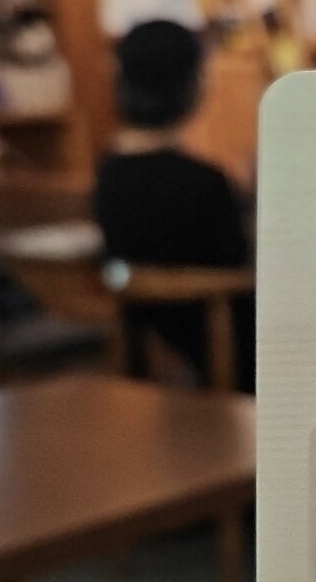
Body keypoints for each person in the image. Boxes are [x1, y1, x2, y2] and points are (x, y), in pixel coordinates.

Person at [93, 20, 254, 392]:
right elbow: (237, 262)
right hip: (221, 348)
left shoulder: (109, 171)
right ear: (192, 86)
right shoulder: (204, 181)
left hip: (145, 338)